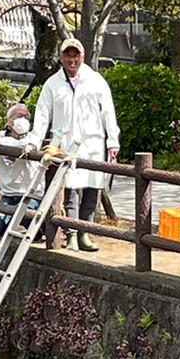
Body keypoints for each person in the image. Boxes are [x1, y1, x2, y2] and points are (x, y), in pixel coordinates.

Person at [28, 37, 120, 251]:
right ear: (61, 58)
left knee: (91, 189)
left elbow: (108, 113)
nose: (72, 59)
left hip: (93, 143)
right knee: (70, 190)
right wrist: (34, 140)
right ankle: (70, 233)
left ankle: (84, 233)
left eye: (75, 55)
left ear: (82, 57)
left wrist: (112, 142)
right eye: (68, 55)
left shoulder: (96, 80)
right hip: (65, 144)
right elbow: (42, 114)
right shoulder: (52, 83)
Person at [0, 102, 47, 237]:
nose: (23, 119)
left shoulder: (33, 137)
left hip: (32, 195)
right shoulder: (1, 134)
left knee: (23, 215)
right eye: (19, 116)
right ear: (9, 120)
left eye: (26, 116)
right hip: (9, 196)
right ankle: (17, 224)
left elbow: (24, 145)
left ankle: (38, 228)